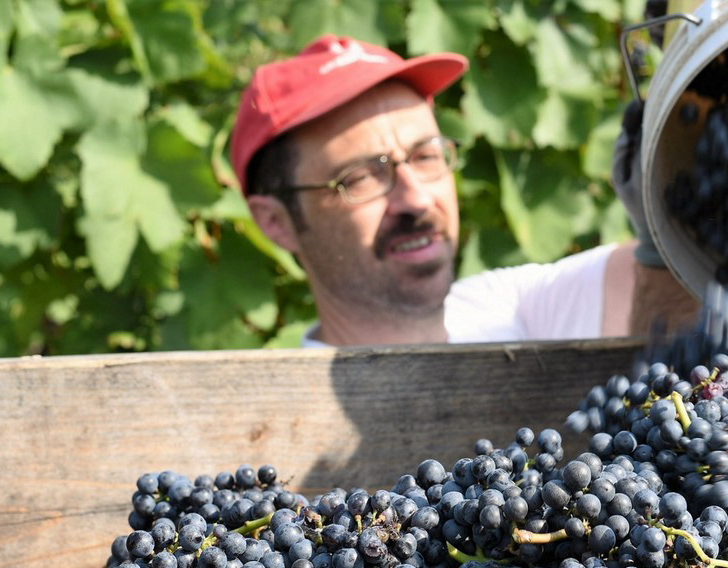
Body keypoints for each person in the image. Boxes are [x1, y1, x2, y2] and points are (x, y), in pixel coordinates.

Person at [230, 34, 696, 347]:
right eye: (361, 177)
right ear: (276, 222)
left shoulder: (508, 310)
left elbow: (666, 273)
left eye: (425, 156)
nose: (416, 199)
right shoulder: (275, 426)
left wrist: (670, 217)